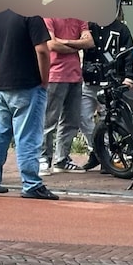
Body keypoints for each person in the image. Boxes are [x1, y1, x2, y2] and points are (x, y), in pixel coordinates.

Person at [0, 8, 56, 200]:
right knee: (28, 136)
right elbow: (42, 51)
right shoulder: (31, 15)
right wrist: (44, 80)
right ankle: (31, 183)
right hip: (26, 84)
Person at [80, 7, 133, 172]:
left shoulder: (121, 29)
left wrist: (130, 77)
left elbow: (129, 54)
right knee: (81, 117)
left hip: (112, 82)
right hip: (89, 81)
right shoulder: (88, 27)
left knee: (109, 120)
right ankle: (98, 151)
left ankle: (107, 157)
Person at [42, 17, 93, 173]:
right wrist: (77, 45)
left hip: (75, 75)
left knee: (71, 121)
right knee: (48, 121)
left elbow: (89, 42)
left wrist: (63, 42)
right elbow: (51, 44)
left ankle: (61, 159)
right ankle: (43, 158)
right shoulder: (49, 16)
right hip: (54, 75)